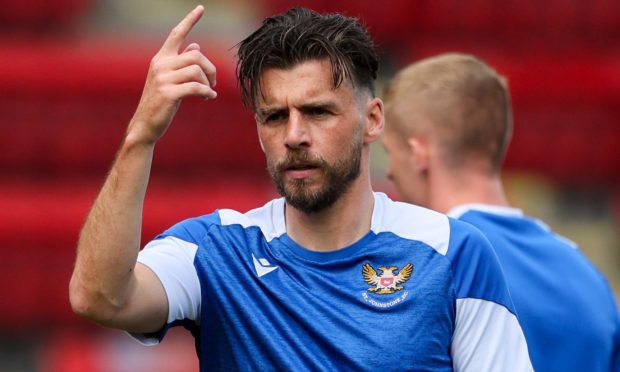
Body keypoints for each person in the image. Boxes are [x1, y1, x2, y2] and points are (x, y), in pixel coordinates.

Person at [69, 7, 533, 371]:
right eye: (274, 117)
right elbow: (98, 298)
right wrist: (140, 137)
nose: (294, 135)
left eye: (317, 112)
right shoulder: (215, 251)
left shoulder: (454, 253)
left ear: (372, 120)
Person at [382, 52, 620, 372]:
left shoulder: (428, 268)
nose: (391, 173)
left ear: (417, 154)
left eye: (390, 153)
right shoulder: (590, 277)